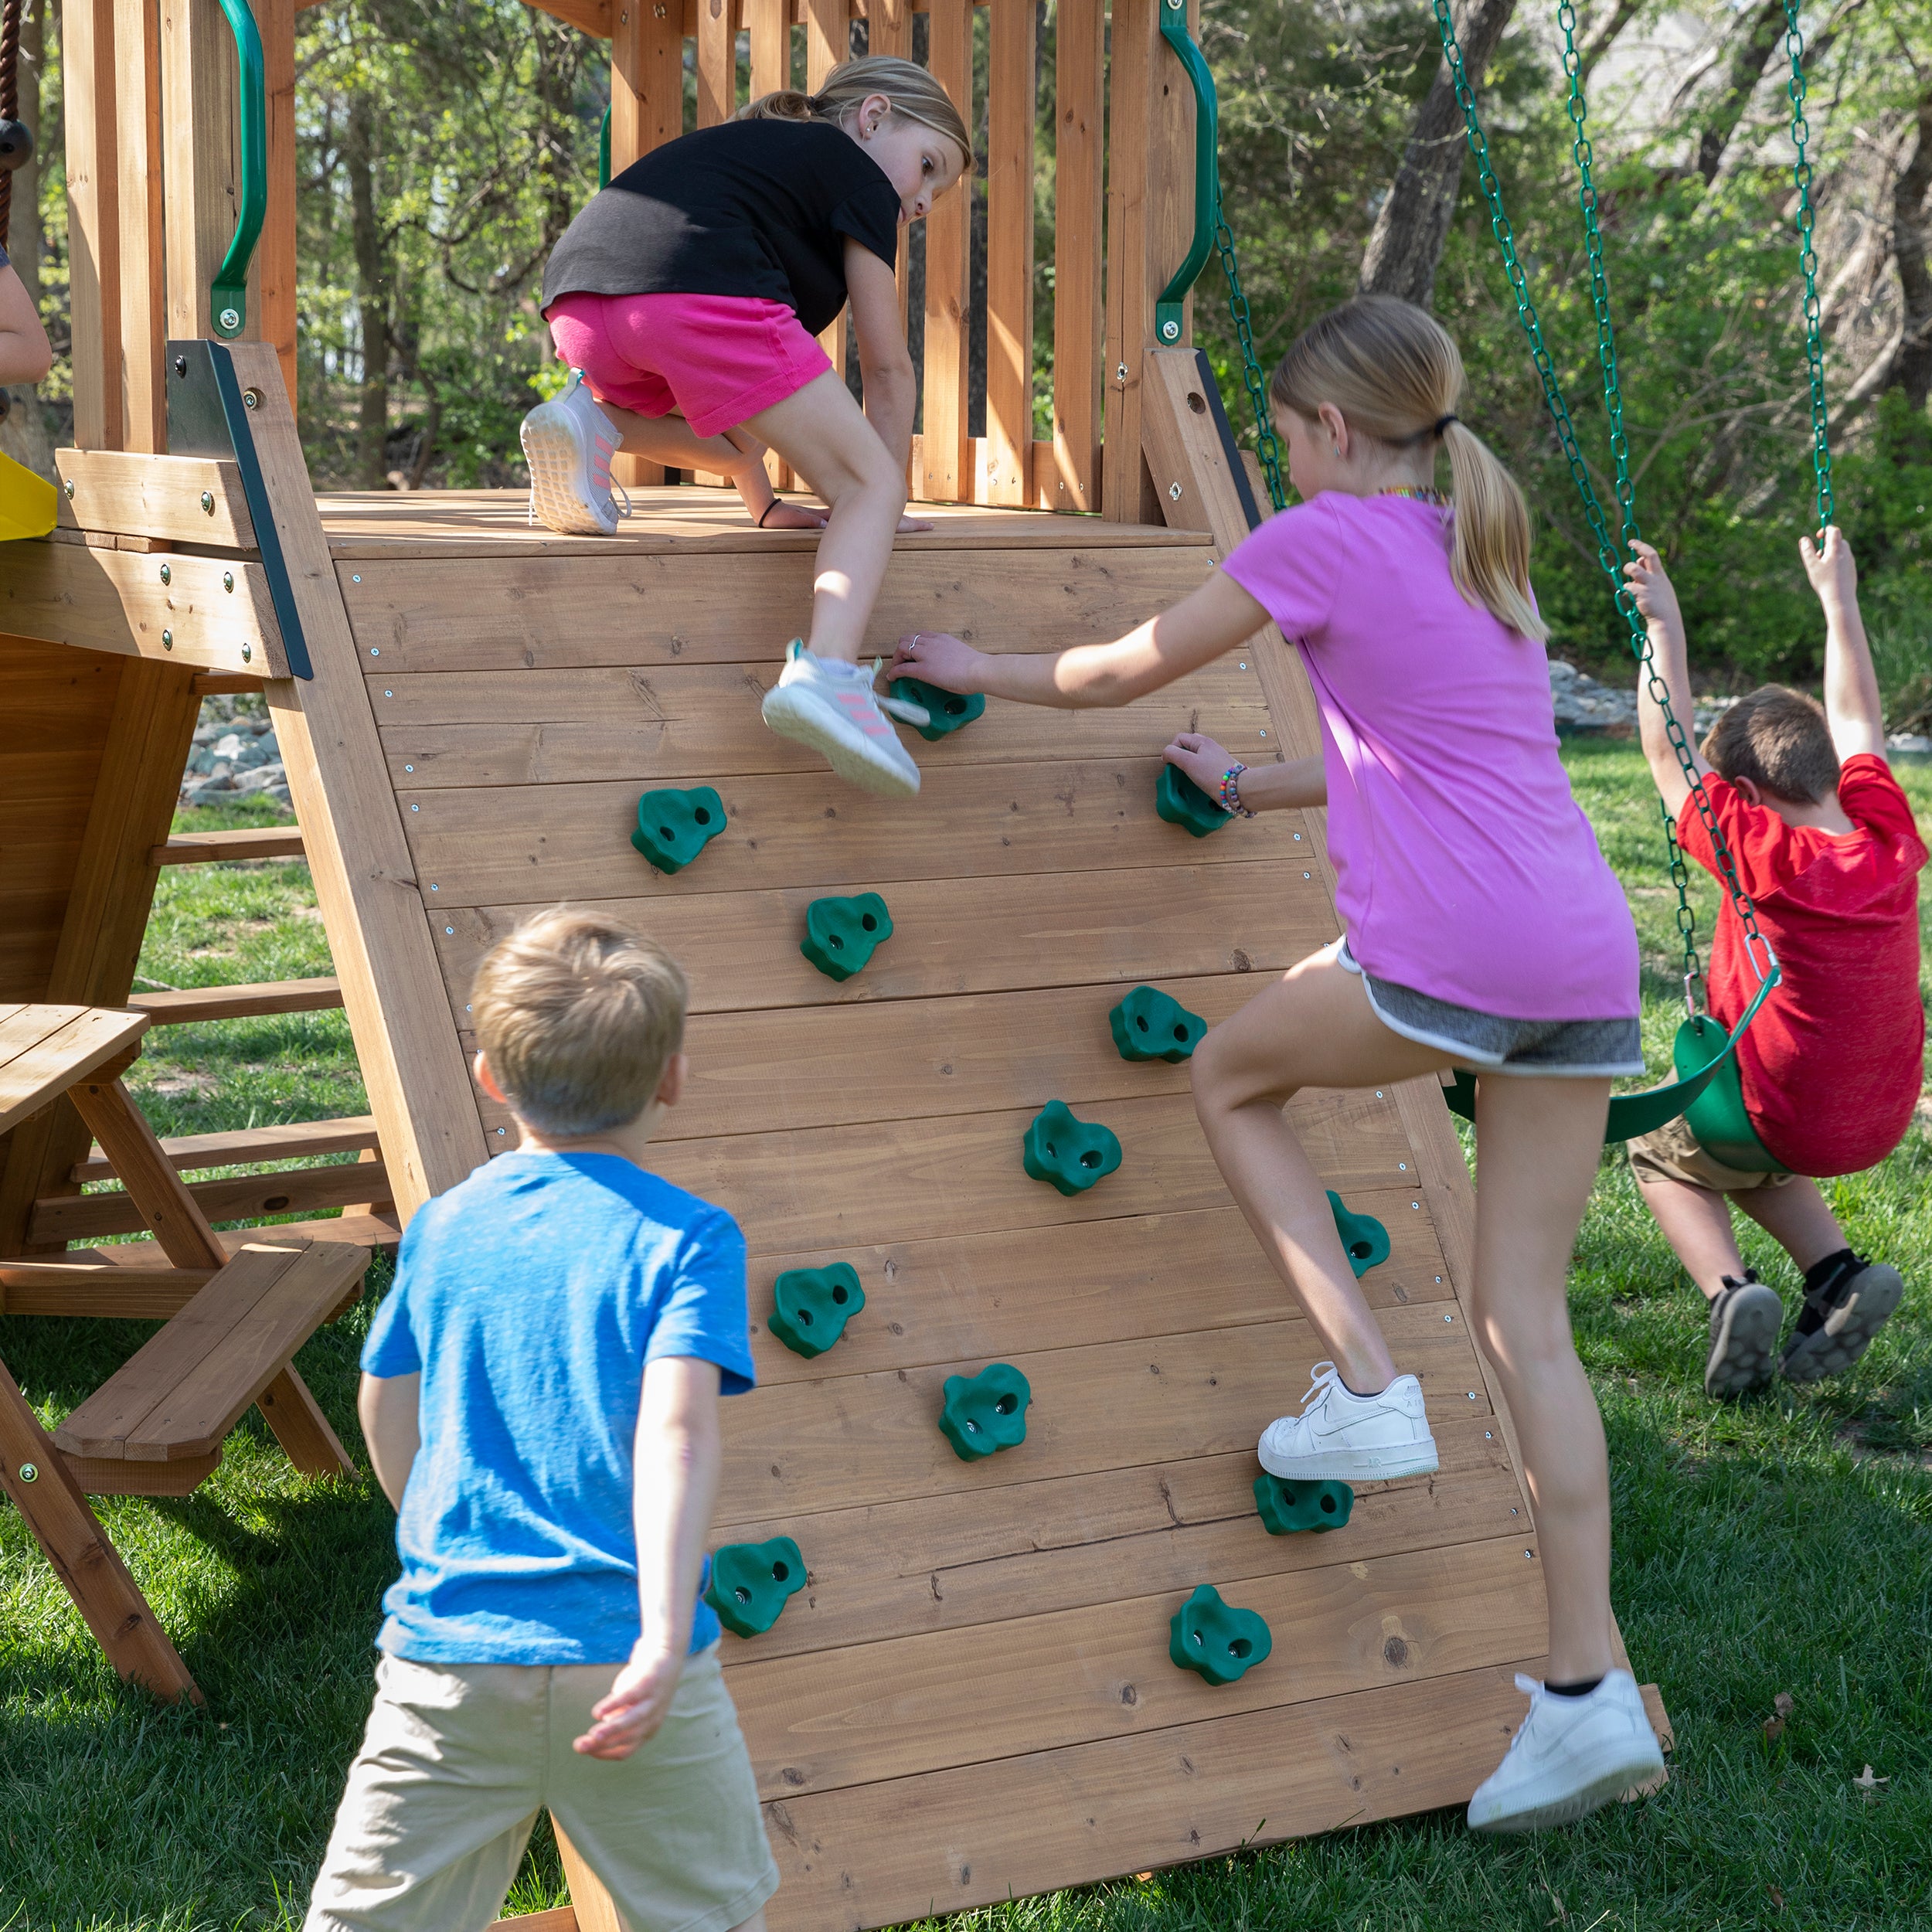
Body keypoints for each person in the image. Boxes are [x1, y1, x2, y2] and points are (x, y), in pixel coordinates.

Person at [893, 294, 1666, 1832]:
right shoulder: (1477, 548)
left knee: (1230, 1079)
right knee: (1529, 1322)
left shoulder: (1319, 535)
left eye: (1289, 431)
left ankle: (1369, 1384)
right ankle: (1582, 1693)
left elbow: (1119, 668)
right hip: (1581, 952)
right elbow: (1420, 748)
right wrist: (1244, 784)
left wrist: (970, 662)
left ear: (1321, 429)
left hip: (1452, 950)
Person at [305, 910, 777, 1932]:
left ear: (489, 1076)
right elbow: (677, 1434)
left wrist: (428, 1530)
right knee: (707, 1917)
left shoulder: (444, 1228)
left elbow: (385, 1403)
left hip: (454, 1652)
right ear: (673, 1079)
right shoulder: (690, 1239)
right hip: (633, 1661)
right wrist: (659, 1632)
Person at [519, 56, 971, 799]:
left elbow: (742, 390)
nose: (921, 200)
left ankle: (596, 422)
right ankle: (827, 676)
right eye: (927, 167)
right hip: (693, 294)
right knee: (867, 482)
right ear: (874, 115)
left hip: (582, 303)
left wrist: (759, 501)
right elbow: (887, 371)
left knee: (742, 437)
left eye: (935, 194)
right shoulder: (853, 174)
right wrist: (880, 499)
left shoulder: (766, 163)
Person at [1622, 532, 1923, 1397]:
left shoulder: (1763, 852)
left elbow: (1666, 751)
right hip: (1875, 1110)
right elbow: (1861, 716)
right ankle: (1834, 1272)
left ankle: (1729, 1291)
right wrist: (1838, 601)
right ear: (1832, 770)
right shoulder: (1887, 834)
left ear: (1747, 799)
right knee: (1756, 1145)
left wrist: (1665, 628)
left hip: (1787, 1106)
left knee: (1661, 1154)